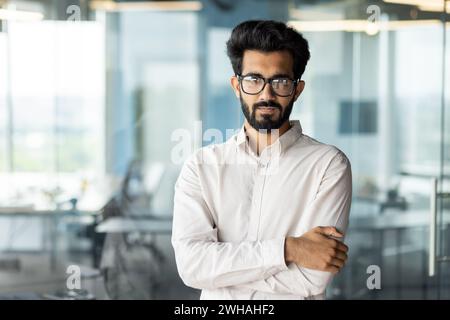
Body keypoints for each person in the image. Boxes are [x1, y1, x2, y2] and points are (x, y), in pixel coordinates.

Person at [171, 20, 352, 300]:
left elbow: (311, 279)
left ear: (297, 89)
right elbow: (192, 267)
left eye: (279, 82)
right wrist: (289, 249)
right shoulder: (201, 167)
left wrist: (221, 276)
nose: (266, 95)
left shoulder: (328, 165)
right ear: (237, 86)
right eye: (254, 80)